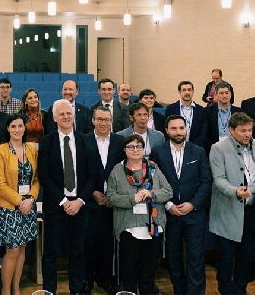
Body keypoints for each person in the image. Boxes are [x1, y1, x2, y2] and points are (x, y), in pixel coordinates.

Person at [38, 99, 98, 294]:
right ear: (54, 117)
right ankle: (49, 290)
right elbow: (44, 175)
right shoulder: (46, 142)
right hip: (56, 206)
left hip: (80, 206)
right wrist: (64, 202)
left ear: (73, 116)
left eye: (68, 113)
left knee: (78, 252)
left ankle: (76, 290)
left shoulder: (86, 140)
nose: (66, 117)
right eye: (61, 114)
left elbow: (92, 174)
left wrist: (79, 201)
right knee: (51, 253)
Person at [150, 115, 212, 295]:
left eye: (181, 128)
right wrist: (168, 204)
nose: (178, 132)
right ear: (167, 131)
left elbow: (206, 181)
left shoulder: (198, 151)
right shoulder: (157, 152)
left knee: (195, 260)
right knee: (173, 259)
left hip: (194, 214)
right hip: (169, 214)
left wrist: (193, 204)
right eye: (174, 128)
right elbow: (154, 182)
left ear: (186, 129)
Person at [107, 134, 172, 295]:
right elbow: (111, 197)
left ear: (144, 149)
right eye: (131, 146)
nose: (135, 150)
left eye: (139, 146)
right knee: (129, 270)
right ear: (125, 150)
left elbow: (168, 191)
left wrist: (151, 194)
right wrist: (132, 199)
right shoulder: (117, 170)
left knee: (148, 271)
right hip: (129, 227)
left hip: (152, 226)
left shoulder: (153, 168)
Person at [0, 113, 39, 295]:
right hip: (9, 208)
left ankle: (16, 289)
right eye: (13, 127)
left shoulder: (32, 149)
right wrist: (21, 201)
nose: (17, 130)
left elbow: (36, 180)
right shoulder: (0, 151)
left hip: (28, 207)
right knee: (12, 250)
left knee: (22, 249)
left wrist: (30, 200)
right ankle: (6, 291)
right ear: (8, 129)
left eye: (20, 126)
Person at [209, 112, 255, 295]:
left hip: (251, 209)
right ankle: (225, 289)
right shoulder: (218, 148)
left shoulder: (254, 145)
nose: (247, 134)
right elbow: (218, 179)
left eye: (250, 130)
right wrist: (234, 191)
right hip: (228, 210)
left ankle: (240, 289)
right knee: (227, 257)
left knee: (247, 255)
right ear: (231, 130)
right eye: (243, 131)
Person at [82, 106, 125, 295]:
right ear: (93, 120)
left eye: (107, 120)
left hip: (112, 203)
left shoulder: (119, 141)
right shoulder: (83, 140)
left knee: (108, 245)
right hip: (91, 202)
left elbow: (124, 171)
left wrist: (113, 196)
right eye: (99, 119)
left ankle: (106, 279)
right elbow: (79, 171)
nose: (103, 123)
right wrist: (92, 192)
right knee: (89, 243)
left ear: (111, 122)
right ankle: (87, 281)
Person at [165, 81, 207, 148]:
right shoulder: (171, 109)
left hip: (195, 147)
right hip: (174, 146)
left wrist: (193, 147)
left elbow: (203, 132)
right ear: (179, 92)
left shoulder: (201, 110)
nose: (187, 92)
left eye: (189, 90)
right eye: (184, 90)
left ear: (193, 91)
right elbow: (167, 129)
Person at [205, 82, 243, 155]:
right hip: (214, 149)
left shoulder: (239, 112)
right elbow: (205, 134)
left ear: (230, 94)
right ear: (215, 95)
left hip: (235, 150)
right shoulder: (207, 112)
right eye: (221, 93)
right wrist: (213, 148)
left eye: (227, 93)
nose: (224, 96)